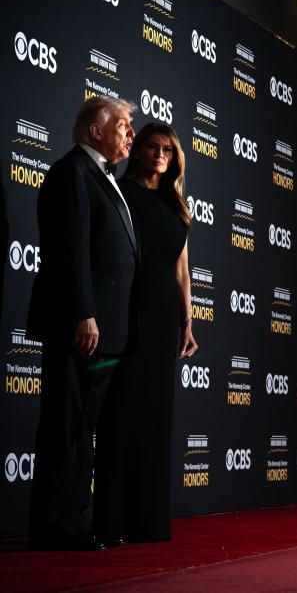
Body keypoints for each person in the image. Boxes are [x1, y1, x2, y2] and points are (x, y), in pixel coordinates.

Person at [26, 96, 138, 550]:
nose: (131, 134)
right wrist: (84, 313)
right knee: (67, 425)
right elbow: (70, 252)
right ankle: (58, 526)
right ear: (96, 130)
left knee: (81, 426)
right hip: (81, 327)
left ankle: (74, 519)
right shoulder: (71, 172)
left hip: (105, 328)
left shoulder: (104, 177)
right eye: (124, 126)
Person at [93, 123, 197, 544]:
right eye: (152, 147)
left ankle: (149, 520)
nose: (160, 155)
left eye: (168, 151)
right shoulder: (119, 194)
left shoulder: (175, 203)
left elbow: (182, 269)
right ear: (136, 151)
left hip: (163, 319)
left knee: (156, 417)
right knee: (122, 414)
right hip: (127, 313)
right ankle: (113, 520)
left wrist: (187, 322)